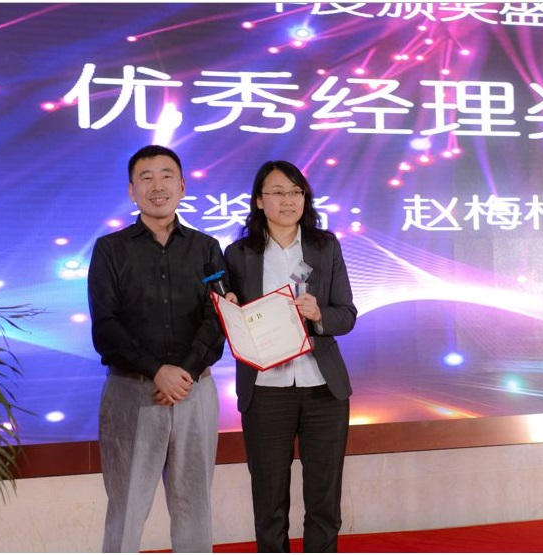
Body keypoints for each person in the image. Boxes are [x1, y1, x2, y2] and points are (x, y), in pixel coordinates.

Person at [87, 144, 226, 553]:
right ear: (132, 191)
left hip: (195, 392)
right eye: (145, 178)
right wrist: (156, 371)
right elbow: (105, 325)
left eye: (167, 175)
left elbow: (219, 317)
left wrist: (183, 373)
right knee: (126, 507)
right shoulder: (110, 249)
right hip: (132, 392)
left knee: (194, 506)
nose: (157, 185)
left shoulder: (207, 248)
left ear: (182, 186)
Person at [224, 160, 357, 552]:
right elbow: (228, 317)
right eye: (278, 192)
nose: (288, 200)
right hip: (266, 389)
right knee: (269, 502)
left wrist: (319, 315)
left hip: (323, 389)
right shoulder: (238, 254)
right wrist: (229, 311)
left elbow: (347, 315)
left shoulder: (325, 246)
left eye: (296, 192)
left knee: (324, 500)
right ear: (259, 200)